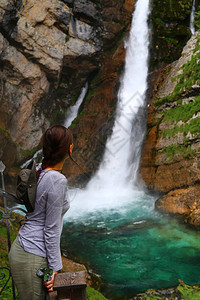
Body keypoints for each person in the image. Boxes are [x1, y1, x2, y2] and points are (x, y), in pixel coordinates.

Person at [9, 125, 74, 300]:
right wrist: (55, 268)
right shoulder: (56, 180)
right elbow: (50, 229)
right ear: (70, 149)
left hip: (25, 247)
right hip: (33, 254)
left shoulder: (39, 171)